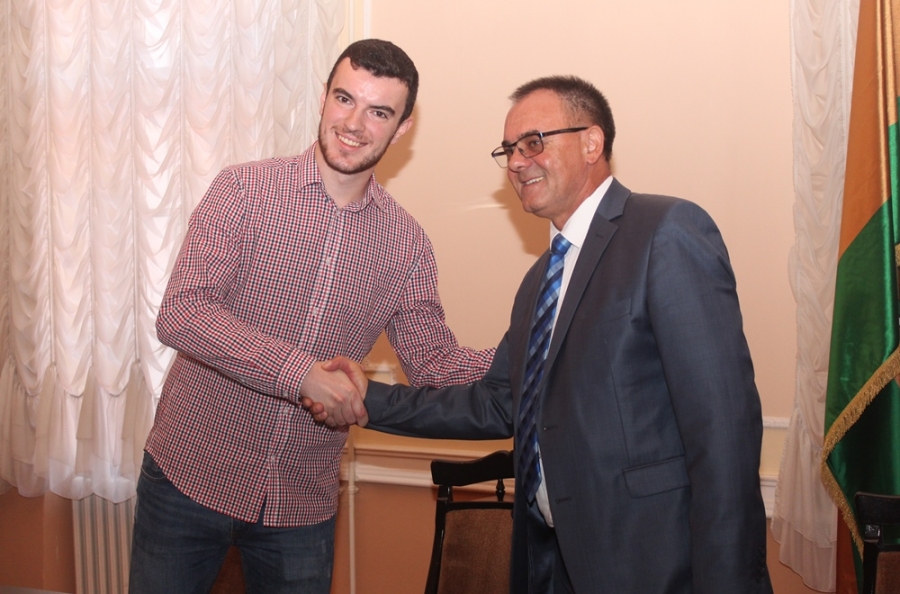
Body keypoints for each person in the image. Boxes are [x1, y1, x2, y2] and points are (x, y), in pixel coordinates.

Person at [314, 75, 773, 593]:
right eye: (509, 149)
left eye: (533, 143)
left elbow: (723, 426)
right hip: (552, 564)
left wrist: (729, 582)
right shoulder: (540, 280)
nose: (516, 162)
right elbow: (498, 403)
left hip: (654, 566)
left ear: (592, 143)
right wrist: (367, 399)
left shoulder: (664, 231)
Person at [128, 39, 494, 593]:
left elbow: (435, 365)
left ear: (402, 129)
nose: (354, 124)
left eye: (378, 112)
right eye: (345, 99)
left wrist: (537, 349)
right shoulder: (243, 190)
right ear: (323, 97)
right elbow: (182, 312)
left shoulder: (408, 244)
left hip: (300, 505)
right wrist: (300, 373)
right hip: (188, 477)